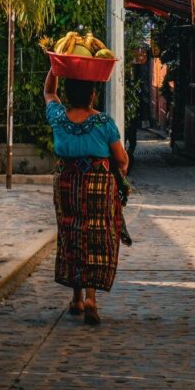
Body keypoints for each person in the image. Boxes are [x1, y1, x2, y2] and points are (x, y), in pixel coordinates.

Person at [44, 67, 129, 326]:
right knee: (96, 235)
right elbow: (121, 159)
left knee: (72, 232)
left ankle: (77, 298)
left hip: (67, 184)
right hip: (98, 185)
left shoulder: (58, 117)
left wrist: (56, 66)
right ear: (92, 95)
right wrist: (119, 177)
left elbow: (49, 91)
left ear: (68, 95)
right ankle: (92, 298)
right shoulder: (103, 122)